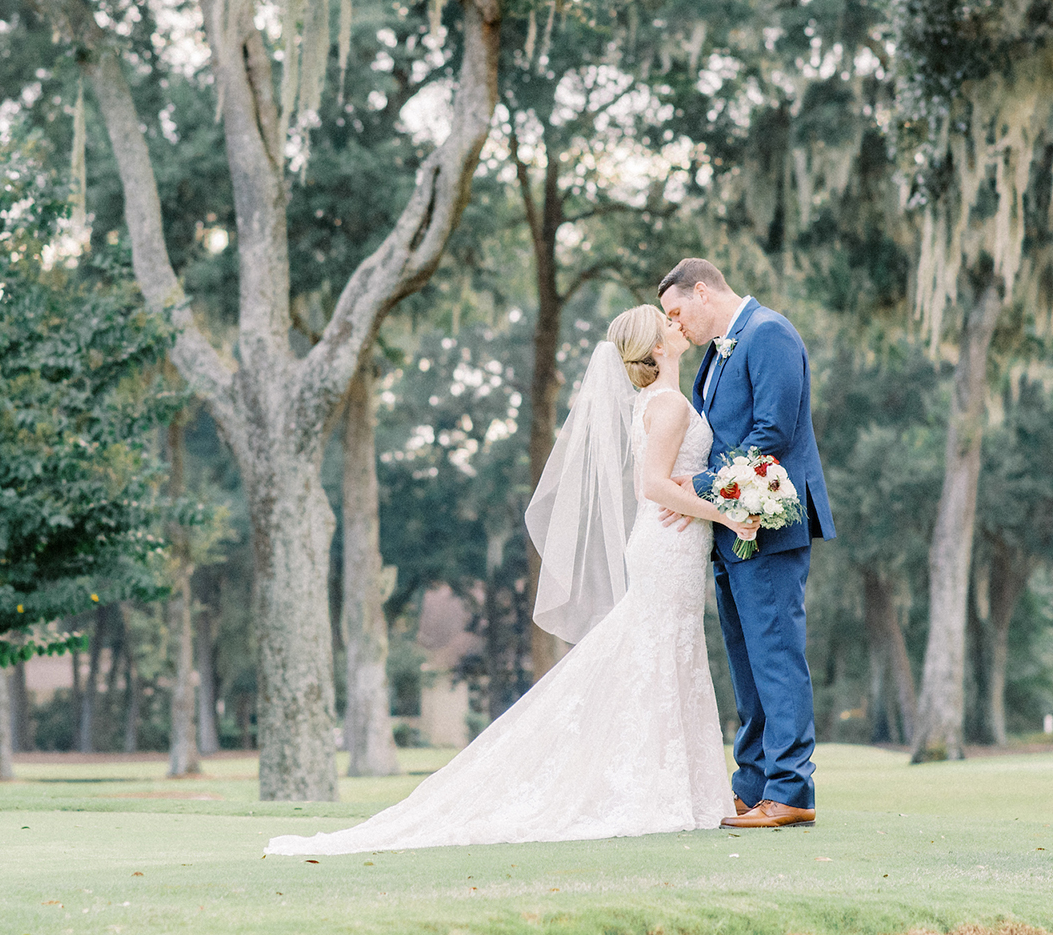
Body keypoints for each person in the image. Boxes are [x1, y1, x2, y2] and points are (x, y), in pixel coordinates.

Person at [264, 304, 753, 856]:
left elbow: (672, 478)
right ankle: (656, 791)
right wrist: (726, 512)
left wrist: (708, 490)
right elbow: (654, 487)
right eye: (666, 324)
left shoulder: (659, 401)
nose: (676, 325)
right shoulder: (667, 405)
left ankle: (677, 789)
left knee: (668, 655)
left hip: (674, 547)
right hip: (666, 547)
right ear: (657, 347)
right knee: (659, 654)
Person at [657, 257, 836, 830]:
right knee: (746, 663)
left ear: (702, 291)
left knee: (776, 657)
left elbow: (772, 433)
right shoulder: (716, 353)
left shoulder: (769, 333)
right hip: (730, 528)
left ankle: (791, 790)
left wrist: (701, 485)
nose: (675, 326)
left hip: (772, 525)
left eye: (676, 312)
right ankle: (753, 785)